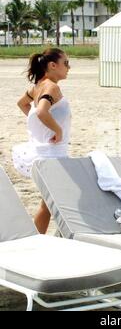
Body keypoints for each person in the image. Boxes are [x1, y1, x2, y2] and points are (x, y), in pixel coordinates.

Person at [12, 48, 71, 234]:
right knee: (53, 203)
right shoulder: (52, 87)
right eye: (66, 63)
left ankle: (40, 238)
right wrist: (57, 130)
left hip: (47, 153)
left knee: (48, 204)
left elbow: (22, 104)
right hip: (53, 156)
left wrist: (42, 128)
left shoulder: (37, 87)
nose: (69, 67)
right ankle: (39, 239)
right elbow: (41, 111)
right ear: (53, 66)